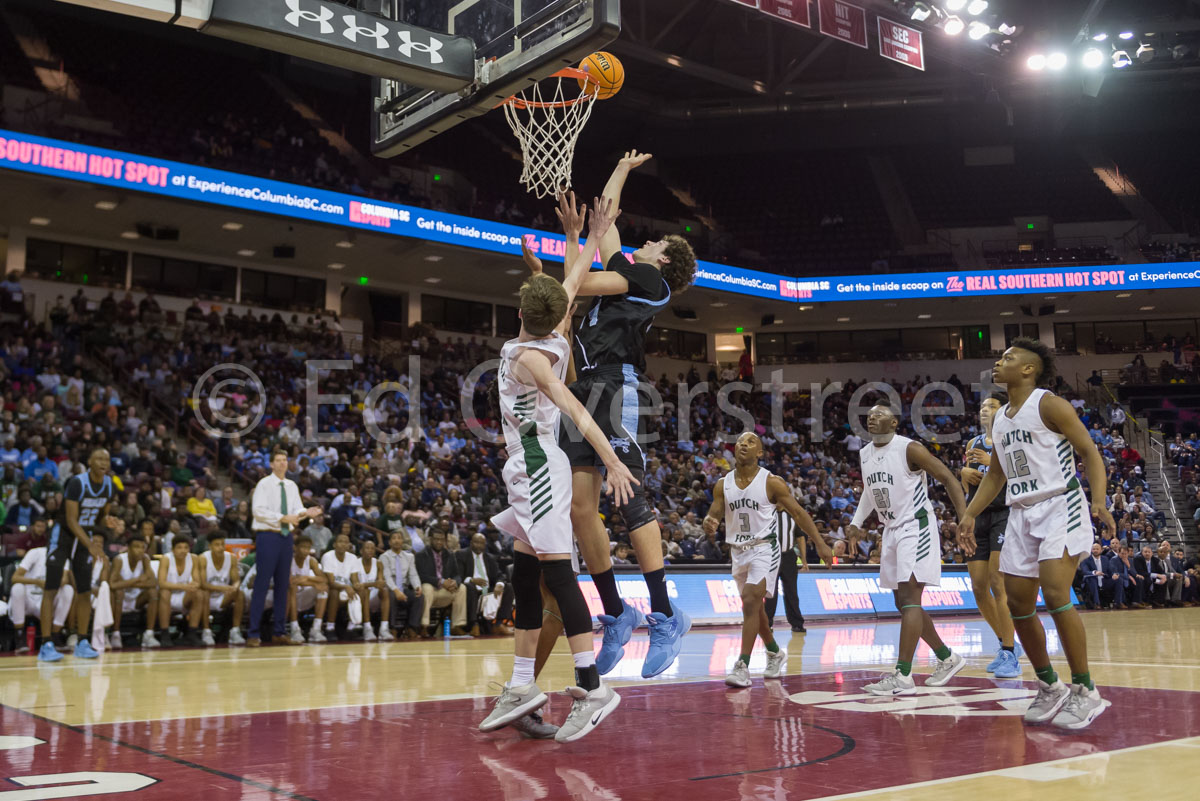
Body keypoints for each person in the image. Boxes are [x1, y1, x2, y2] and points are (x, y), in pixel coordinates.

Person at [479, 193, 636, 744]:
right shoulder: (551, 329)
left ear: (522, 312)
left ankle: (593, 686)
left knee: (555, 574)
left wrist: (613, 459)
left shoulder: (531, 357)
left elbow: (573, 408)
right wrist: (588, 235)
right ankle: (524, 682)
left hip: (541, 467)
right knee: (526, 572)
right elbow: (567, 290)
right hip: (529, 469)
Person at [557, 152, 698, 679]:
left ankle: (665, 613)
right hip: (583, 387)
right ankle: (617, 613)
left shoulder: (651, 282)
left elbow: (575, 287)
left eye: (657, 244)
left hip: (615, 387)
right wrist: (618, 169)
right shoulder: (629, 271)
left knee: (629, 495)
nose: (647, 240)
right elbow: (605, 228)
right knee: (579, 509)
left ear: (663, 261)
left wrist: (583, 244)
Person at [961, 338, 1117, 730]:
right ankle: (1050, 685)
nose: (999, 363)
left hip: (1059, 503)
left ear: (1028, 369)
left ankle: (1086, 690)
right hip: (1020, 511)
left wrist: (1099, 499)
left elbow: (1089, 451)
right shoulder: (1001, 418)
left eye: (1007, 358)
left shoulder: (1049, 403)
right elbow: (996, 474)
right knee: (1017, 603)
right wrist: (968, 513)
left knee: (1055, 593)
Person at [848, 405, 969, 696]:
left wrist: (965, 518)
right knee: (902, 603)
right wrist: (855, 522)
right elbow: (869, 491)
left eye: (880, 414)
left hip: (917, 526)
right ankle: (947, 658)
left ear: (894, 422)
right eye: (870, 414)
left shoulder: (910, 449)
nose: (872, 417)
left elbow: (949, 479)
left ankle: (902, 675)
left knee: (910, 598)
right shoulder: (865, 453)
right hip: (891, 530)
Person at [703, 432, 829, 688]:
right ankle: (774, 651)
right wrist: (710, 522)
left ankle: (742, 666)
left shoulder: (772, 482)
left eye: (750, 442)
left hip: (765, 549)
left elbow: (798, 512)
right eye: (739, 442)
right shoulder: (722, 484)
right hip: (737, 551)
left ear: (760, 452)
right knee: (755, 609)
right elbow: (715, 512)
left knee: (751, 600)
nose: (743, 445)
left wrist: (820, 542)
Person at [960, 392, 1021, 678]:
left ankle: (1009, 652)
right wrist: (963, 474)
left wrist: (990, 462)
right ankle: (1005, 643)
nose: (986, 409)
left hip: (1004, 514)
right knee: (978, 587)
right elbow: (970, 489)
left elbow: (1017, 479)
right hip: (978, 516)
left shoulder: (1009, 440)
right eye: (983, 406)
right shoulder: (972, 444)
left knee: (998, 582)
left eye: (992, 405)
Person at [39, 448, 115, 662]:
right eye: (99, 458)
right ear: (89, 461)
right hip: (62, 537)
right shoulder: (77, 483)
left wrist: (109, 523)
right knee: (51, 589)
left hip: (85, 539)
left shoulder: (109, 485)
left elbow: (100, 517)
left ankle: (82, 641)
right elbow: (72, 520)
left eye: (106, 459)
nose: (103, 462)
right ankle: (46, 644)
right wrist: (90, 544)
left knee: (84, 591)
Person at [250, 450, 320, 647]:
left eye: (284, 461)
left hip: (286, 537)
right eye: (278, 461)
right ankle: (253, 633)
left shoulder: (291, 485)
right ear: (271, 464)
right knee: (262, 584)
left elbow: (296, 511)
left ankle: (279, 631)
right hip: (267, 536)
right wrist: (282, 518)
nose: (282, 464)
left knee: (284, 584)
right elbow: (258, 511)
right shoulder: (264, 484)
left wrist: (307, 512)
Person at [8, 545, 74, 648]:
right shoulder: (35, 552)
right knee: (17, 588)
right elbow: (15, 578)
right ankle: (19, 637)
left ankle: (55, 635)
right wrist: (37, 582)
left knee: (68, 590)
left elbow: (65, 580)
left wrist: (50, 584)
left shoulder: (62, 555)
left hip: (49, 599)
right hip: (30, 599)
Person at [108, 534, 159, 648]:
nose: (140, 550)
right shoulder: (119, 560)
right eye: (136, 547)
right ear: (129, 548)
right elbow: (112, 584)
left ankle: (149, 634)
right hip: (119, 598)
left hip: (136, 599)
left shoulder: (145, 559)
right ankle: (115, 634)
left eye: (142, 547)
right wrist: (136, 580)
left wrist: (128, 583)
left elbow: (153, 583)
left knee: (153, 593)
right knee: (119, 592)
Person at [416, 529, 468, 635]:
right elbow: (421, 576)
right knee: (426, 587)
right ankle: (424, 626)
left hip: (445, 591)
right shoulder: (421, 555)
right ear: (430, 539)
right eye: (436, 539)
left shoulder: (449, 554)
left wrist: (455, 583)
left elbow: (457, 574)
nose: (439, 542)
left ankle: (456, 625)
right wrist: (441, 582)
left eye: (441, 539)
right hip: (431, 592)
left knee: (462, 588)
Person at [199, 533, 245, 646]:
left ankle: (235, 631)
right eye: (217, 545)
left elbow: (236, 580)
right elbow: (203, 584)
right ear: (210, 546)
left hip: (222, 598)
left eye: (222, 544)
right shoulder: (203, 558)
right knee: (203, 593)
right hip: (206, 598)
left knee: (239, 593)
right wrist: (222, 588)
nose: (221, 547)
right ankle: (207, 632)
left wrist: (235, 586)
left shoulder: (231, 558)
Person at [157, 534, 203, 646]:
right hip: (168, 595)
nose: (183, 550)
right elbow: (162, 583)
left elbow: (198, 581)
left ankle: (192, 633)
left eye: (186, 547)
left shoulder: (194, 558)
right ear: (173, 549)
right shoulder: (166, 559)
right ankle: (165, 634)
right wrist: (184, 586)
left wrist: (194, 585)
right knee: (165, 593)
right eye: (179, 547)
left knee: (199, 593)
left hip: (184, 596)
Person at [320, 531, 366, 640]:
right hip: (331, 591)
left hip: (346, 590)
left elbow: (354, 579)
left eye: (346, 542)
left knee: (362, 591)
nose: (343, 544)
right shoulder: (328, 556)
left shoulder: (353, 558)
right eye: (340, 541)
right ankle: (330, 628)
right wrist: (346, 587)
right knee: (335, 592)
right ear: (334, 544)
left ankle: (352, 627)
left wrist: (356, 585)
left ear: (349, 545)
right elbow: (331, 582)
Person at [380, 530, 423, 639]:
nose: (397, 540)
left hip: (403, 588)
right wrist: (396, 590)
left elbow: (413, 575)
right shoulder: (384, 557)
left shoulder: (409, 557)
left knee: (418, 596)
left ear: (402, 541)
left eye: (399, 538)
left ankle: (411, 628)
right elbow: (387, 577)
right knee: (391, 596)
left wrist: (417, 586)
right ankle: (392, 628)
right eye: (394, 538)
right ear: (389, 542)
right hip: (390, 588)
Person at [286, 534, 329, 644]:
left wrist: (307, 577)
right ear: (295, 548)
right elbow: (292, 581)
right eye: (303, 547)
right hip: (288, 598)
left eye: (308, 548)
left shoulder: (311, 561)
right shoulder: (288, 560)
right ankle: (295, 629)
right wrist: (314, 583)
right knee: (292, 587)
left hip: (303, 596)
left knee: (324, 589)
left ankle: (316, 629)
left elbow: (324, 579)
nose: (306, 550)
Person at [456, 532, 501, 636]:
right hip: (471, 588)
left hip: (488, 590)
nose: (479, 545)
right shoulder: (461, 554)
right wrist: (471, 580)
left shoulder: (490, 558)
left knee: (507, 587)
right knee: (470, 587)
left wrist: (499, 584)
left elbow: (499, 575)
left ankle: (498, 625)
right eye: (476, 542)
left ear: (485, 545)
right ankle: (474, 624)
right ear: (471, 543)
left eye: (482, 543)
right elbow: (458, 576)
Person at [357, 540, 394, 641]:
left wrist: (376, 584)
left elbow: (380, 582)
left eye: (372, 548)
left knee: (385, 590)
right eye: (367, 548)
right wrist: (372, 584)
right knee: (365, 591)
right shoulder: (355, 563)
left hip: (373, 595)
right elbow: (357, 586)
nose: (370, 550)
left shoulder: (378, 563)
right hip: (358, 597)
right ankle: (367, 628)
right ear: (361, 550)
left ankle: (384, 628)